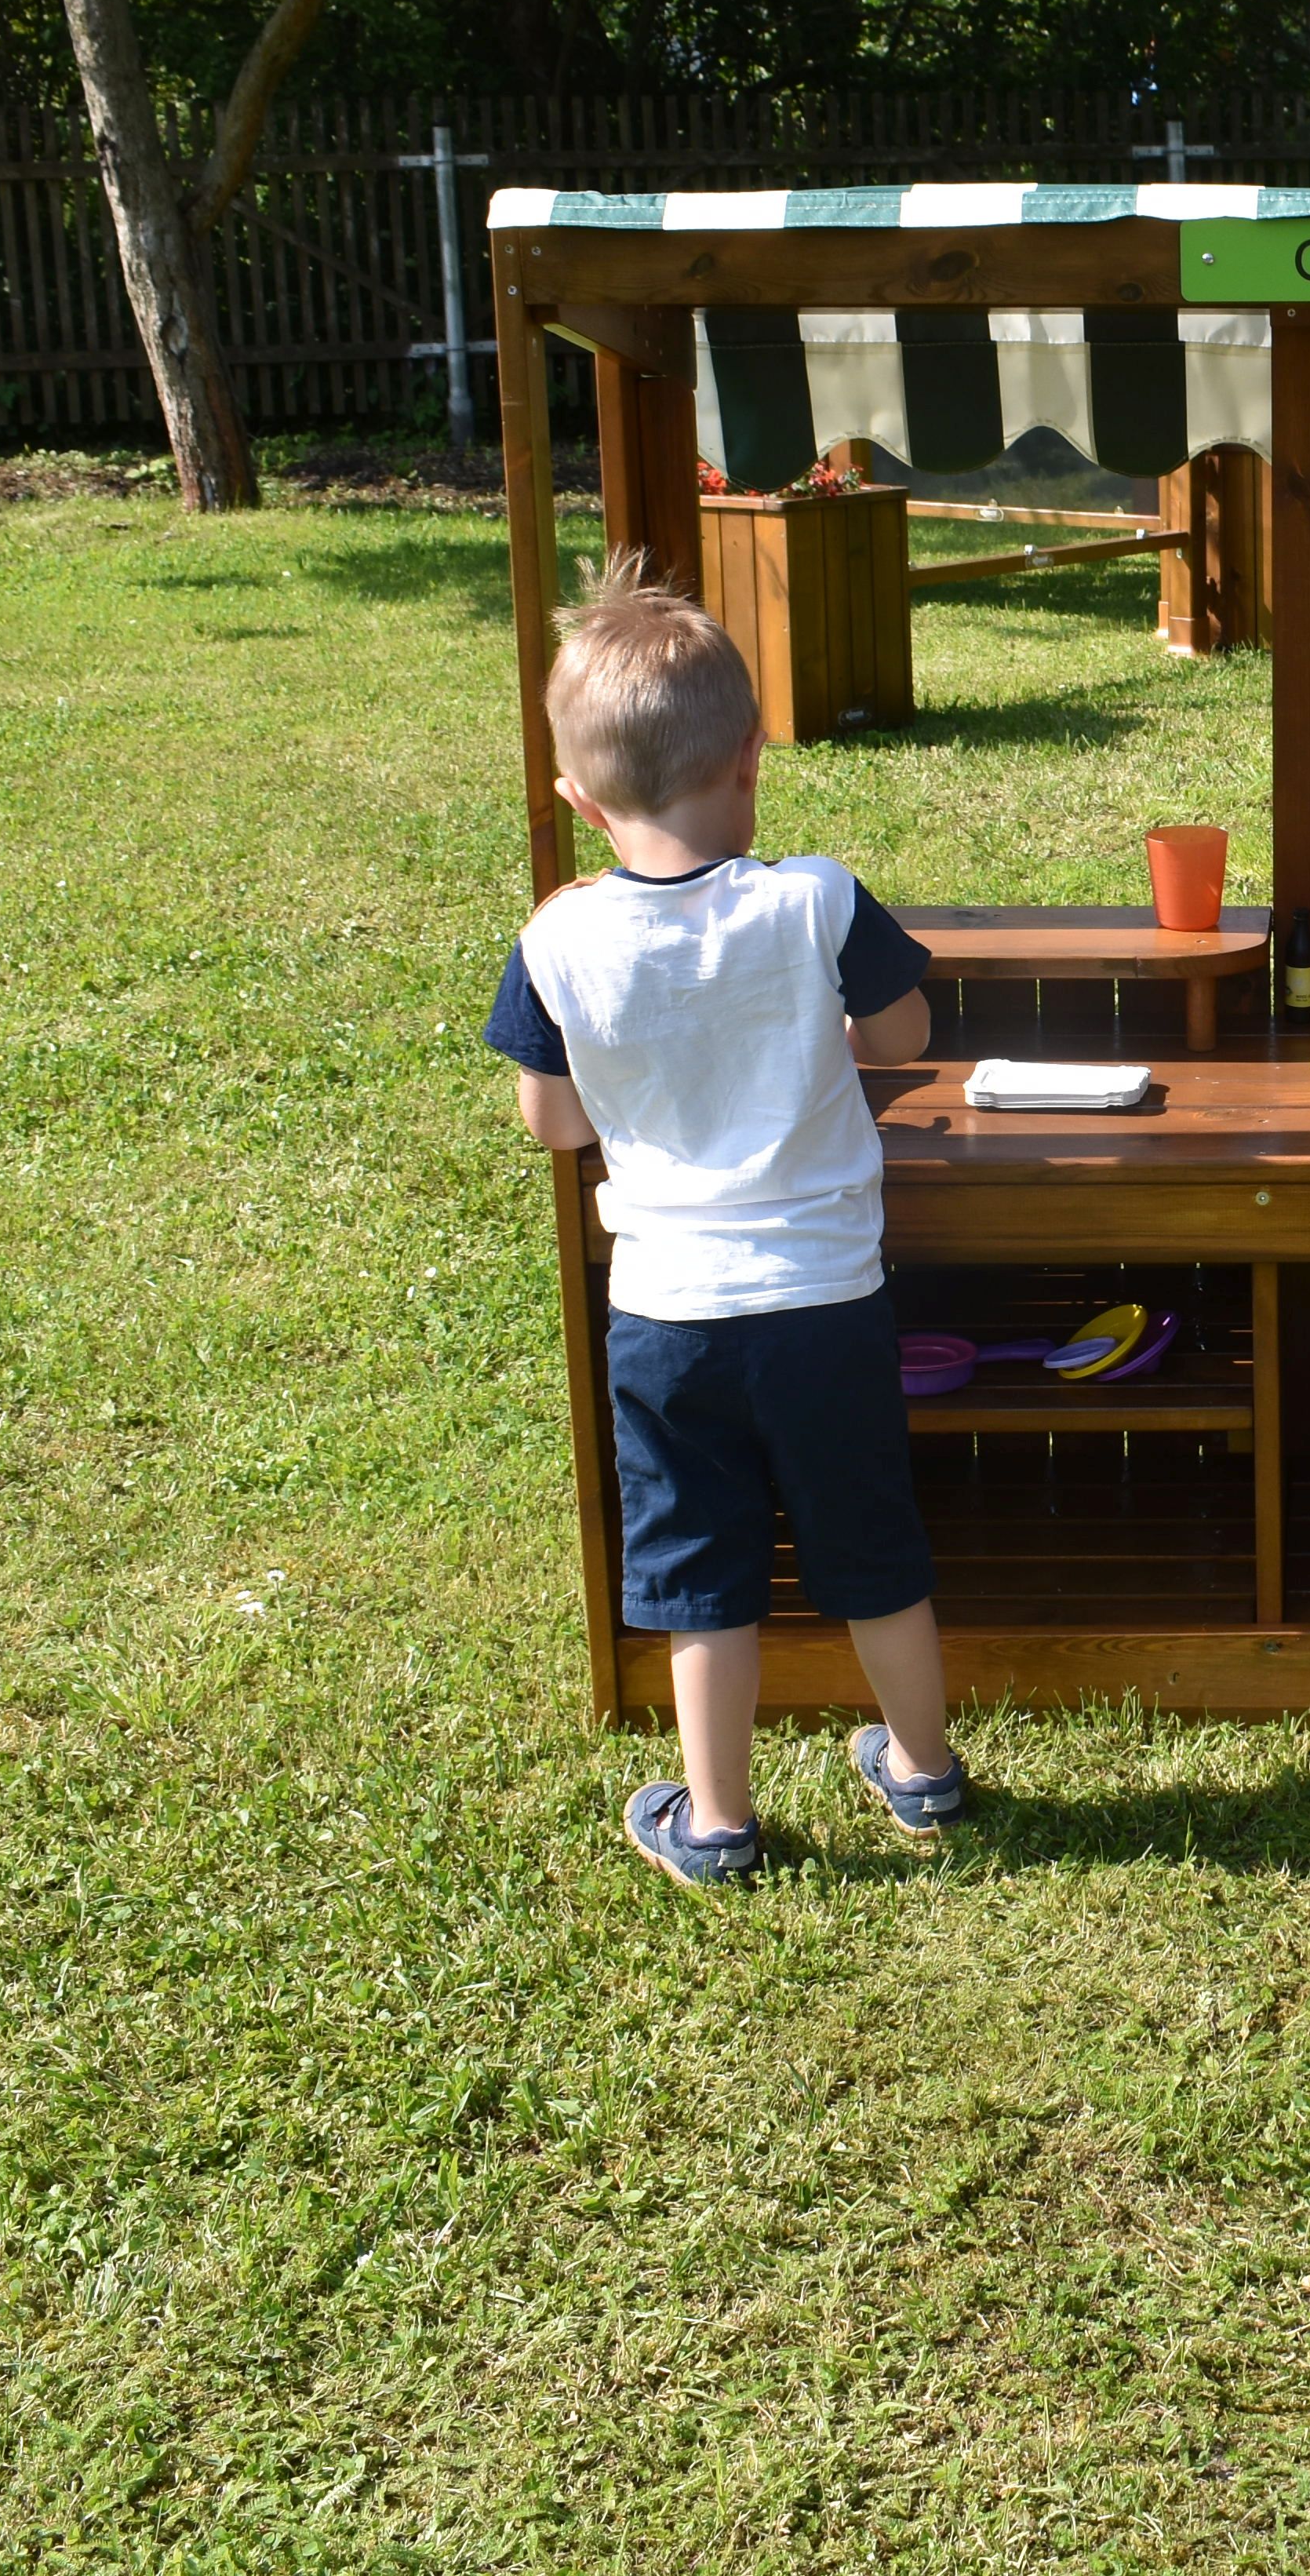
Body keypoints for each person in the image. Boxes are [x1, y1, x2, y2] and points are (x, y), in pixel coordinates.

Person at [482, 563, 957, 1885]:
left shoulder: (558, 938)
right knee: (871, 1544)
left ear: (580, 801)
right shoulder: (812, 896)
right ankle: (920, 1775)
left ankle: (718, 1821)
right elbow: (905, 1033)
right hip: (824, 1303)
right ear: (752, 760)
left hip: (671, 1316)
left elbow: (556, 1125)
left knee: (701, 1569)